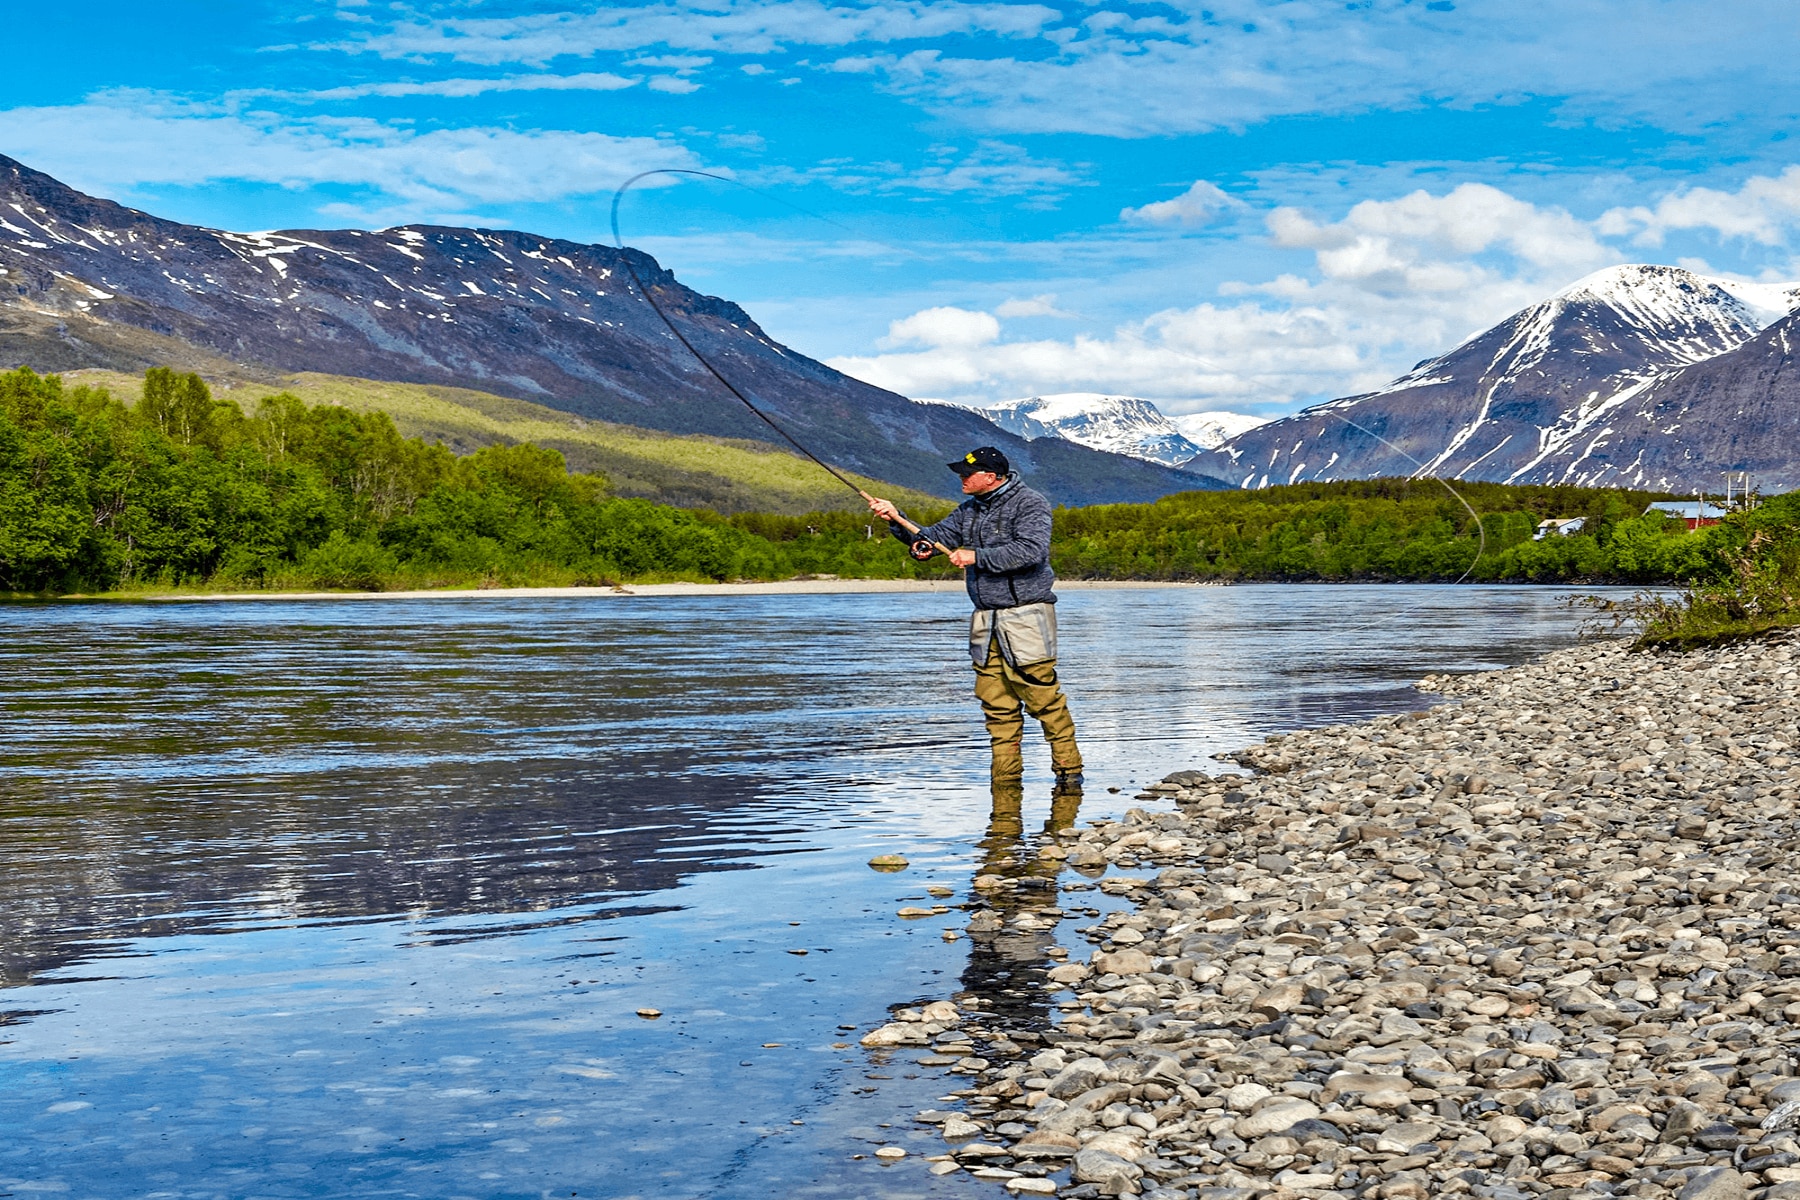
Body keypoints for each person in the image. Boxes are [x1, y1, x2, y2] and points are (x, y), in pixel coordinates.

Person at [864, 446, 1084, 791]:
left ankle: (1069, 775)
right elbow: (929, 541)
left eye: (968, 474)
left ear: (992, 477)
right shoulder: (969, 510)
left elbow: (1031, 551)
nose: (962, 478)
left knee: (1044, 700)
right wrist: (895, 518)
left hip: (1027, 616)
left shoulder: (1030, 503)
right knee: (996, 706)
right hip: (986, 621)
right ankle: (1006, 785)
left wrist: (975, 556)